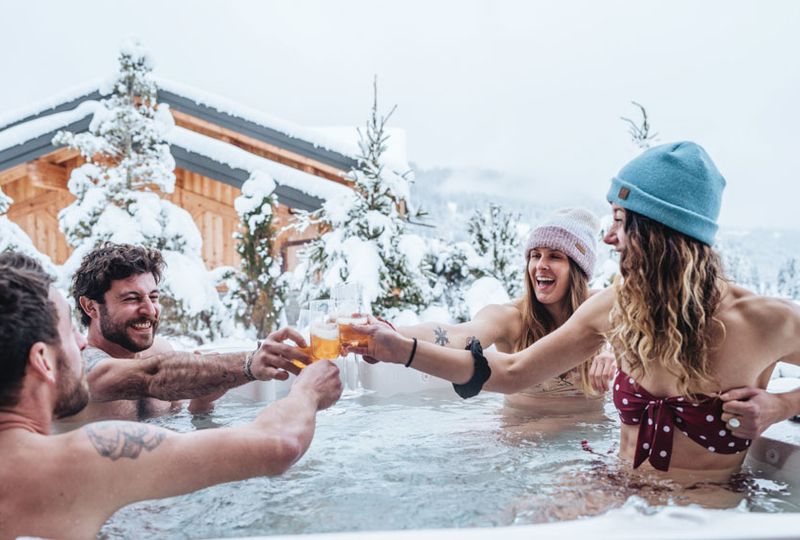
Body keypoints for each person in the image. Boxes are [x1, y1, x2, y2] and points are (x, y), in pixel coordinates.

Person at [350, 141, 800, 483]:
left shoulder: (764, 321)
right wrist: (401, 349)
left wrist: (781, 405)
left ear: (662, 233)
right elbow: (511, 370)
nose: (609, 238)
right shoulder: (615, 308)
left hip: (705, 513)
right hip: (617, 493)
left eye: (621, 221)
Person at [0, 264, 342, 539]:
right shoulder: (85, 457)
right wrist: (308, 392)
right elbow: (278, 445)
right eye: (69, 332)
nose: (81, 343)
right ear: (43, 359)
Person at [395, 208, 616, 414]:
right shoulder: (511, 318)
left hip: (588, 441)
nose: (540, 264)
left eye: (555, 256)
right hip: (522, 442)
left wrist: (614, 353)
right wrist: (394, 333)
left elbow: (638, 337)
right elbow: (456, 335)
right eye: (535, 255)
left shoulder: (600, 308)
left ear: (578, 270)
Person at [68, 243, 312, 420]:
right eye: (132, 299)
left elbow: (186, 424)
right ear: (91, 307)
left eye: (153, 297)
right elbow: (154, 375)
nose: (150, 310)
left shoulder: (161, 349)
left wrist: (202, 401)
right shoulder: (77, 367)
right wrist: (248, 364)